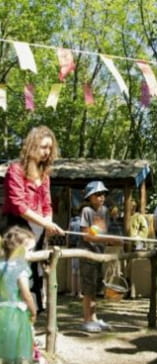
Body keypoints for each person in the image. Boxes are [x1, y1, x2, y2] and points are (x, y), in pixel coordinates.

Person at [2, 125, 64, 313]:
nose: (47, 152)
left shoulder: (45, 176)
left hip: (38, 232)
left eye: (50, 148)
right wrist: (45, 222)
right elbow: (18, 205)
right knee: (15, 276)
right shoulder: (15, 170)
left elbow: (47, 205)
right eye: (44, 147)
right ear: (32, 146)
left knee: (35, 275)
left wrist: (49, 224)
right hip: (16, 230)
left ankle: (32, 324)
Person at [79, 180, 122, 332]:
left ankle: (94, 319)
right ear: (90, 197)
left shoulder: (104, 211)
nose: (101, 197)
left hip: (99, 253)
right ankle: (86, 320)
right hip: (87, 253)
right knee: (88, 289)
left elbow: (102, 232)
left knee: (96, 287)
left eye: (103, 194)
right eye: (97, 195)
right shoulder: (86, 211)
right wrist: (109, 239)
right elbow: (86, 236)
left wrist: (112, 241)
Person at [0, 226, 37, 364]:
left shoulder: (1, 264)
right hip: (15, 311)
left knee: (4, 341)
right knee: (15, 343)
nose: (30, 254)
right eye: (29, 250)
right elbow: (26, 293)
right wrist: (33, 309)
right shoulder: (20, 268)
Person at [68, 206, 82, 298]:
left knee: (74, 271)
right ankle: (80, 292)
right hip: (81, 247)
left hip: (73, 247)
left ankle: (73, 291)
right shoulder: (82, 223)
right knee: (80, 271)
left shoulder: (71, 223)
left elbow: (68, 236)